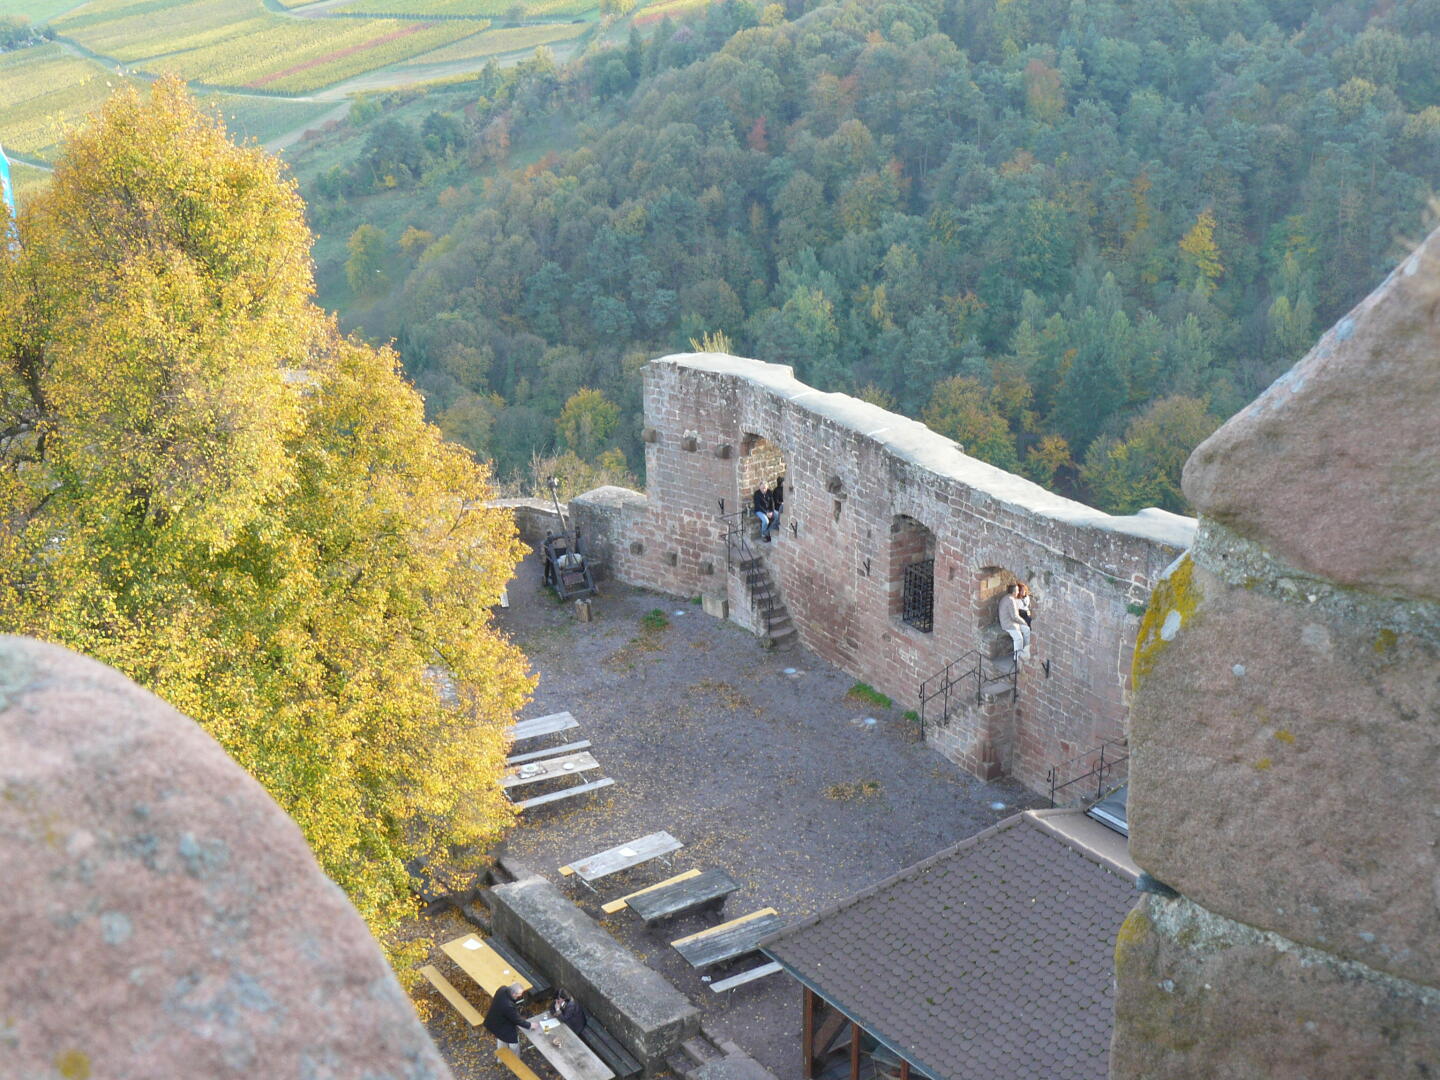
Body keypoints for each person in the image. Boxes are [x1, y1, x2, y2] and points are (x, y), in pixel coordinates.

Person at [484, 983, 534, 1060]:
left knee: (501, 1039)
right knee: (514, 1043)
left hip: (494, 1021)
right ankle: (516, 1061)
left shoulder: (502, 989)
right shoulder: (508, 1005)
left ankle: (500, 1059)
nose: (520, 996)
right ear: (513, 994)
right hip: (502, 1025)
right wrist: (530, 1025)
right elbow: (517, 1020)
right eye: (519, 994)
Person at [998, 582, 1031, 662]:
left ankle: (1026, 651)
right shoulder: (1010, 600)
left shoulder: (1009, 598)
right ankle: (1017, 658)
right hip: (1008, 624)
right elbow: (1015, 617)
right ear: (1013, 592)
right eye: (1017, 591)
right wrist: (1023, 622)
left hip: (1012, 622)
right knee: (1019, 638)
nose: (1018, 592)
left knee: (1027, 630)